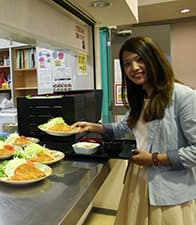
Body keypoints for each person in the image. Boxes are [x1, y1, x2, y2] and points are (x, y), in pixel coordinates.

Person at [72, 36, 196, 225]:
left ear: (154, 59)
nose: (134, 68)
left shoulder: (182, 96)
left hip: (169, 190)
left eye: (140, 59)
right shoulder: (141, 98)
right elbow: (123, 128)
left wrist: (154, 158)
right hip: (137, 179)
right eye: (127, 64)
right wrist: (92, 126)